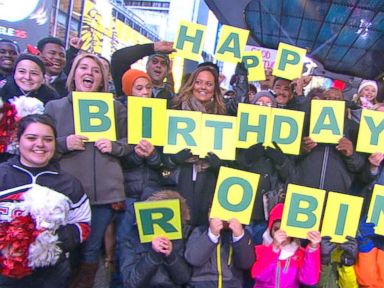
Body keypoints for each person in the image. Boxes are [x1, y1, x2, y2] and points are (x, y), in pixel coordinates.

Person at [44, 53, 131, 288]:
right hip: (65, 193)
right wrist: (64, 143)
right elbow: (40, 145)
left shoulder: (115, 109)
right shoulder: (54, 107)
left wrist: (114, 146)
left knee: (91, 250)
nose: (89, 73)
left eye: (95, 70)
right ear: (74, 74)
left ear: (102, 79)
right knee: (63, 248)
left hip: (104, 194)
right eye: (84, 68)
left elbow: (128, 143)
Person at [0, 114, 91, 288]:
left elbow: (83, 224)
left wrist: (46, 242)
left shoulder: (69, 184)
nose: (40, 144)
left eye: (48, 139)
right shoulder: (2, 174)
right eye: (31, 138)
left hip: (52, 274)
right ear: (18, 140)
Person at [167, 65, 226, 226]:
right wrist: (174, 159)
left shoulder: (222, 117)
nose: (203, 87)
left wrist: (218, 164)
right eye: (199, 82)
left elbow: (228, 162)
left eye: (208, 84)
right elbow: (162, 161)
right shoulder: (176, 110)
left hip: (207, 186)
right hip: (178, 181)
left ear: (215, 89)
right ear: (192, 84)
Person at [120, 190, 192, 288]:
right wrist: (153, 255)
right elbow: (131, 283)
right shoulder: (131, 239)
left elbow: (183, 279)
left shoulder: (182, 236)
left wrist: (170, 256)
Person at [251, 203, 321, 287]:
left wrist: (313, 247)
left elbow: (309, 280)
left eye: (286, 230)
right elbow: (260, 276)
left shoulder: (299, 253)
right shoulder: (260, 249)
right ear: (270, 230)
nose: (281, 235)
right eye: (276, 229)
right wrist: (274, 248)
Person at [185, 216, 254, 287]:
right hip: (202, 284)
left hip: (232, 283)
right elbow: (193, 259)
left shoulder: (242, 234)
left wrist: (239, 237)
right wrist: (211, 235)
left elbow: (246, 263)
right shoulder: (200, 231)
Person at [111, 41, 175, 105]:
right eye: (154, 61)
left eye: (163, 64)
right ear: (147, 65)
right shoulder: (131, 86)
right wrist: (151, 48)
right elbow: (118, 59)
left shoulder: (173, 99)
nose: (158, 66)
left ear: (168, 70)